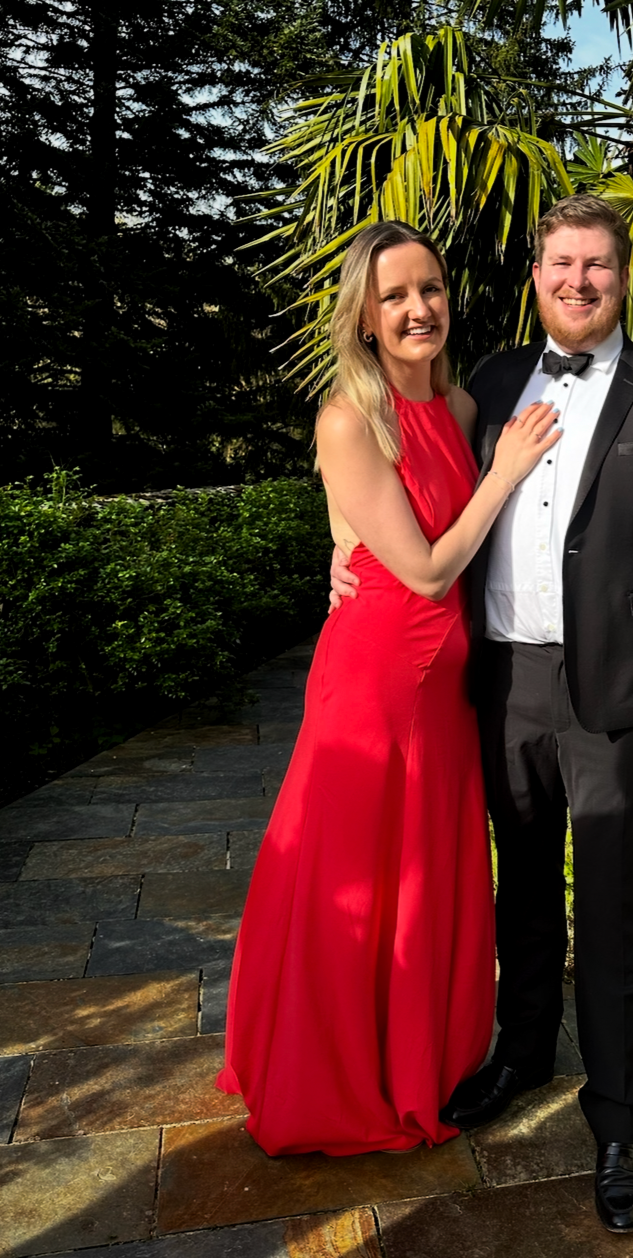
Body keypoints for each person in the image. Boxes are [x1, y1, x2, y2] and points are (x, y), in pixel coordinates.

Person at [333, 195, 633, 1228]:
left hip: (623, 693)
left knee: (612, 911)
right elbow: (394, 468)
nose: (578, 280)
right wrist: (341, 547)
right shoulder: (493, 384)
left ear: (622, 274)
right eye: (561, 262)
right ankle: (520, 1050)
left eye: (596, 264)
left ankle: (617, 1120)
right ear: (537, 272)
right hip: (501, 684)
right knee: (513, 895)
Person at [218, 220, 561, 1156]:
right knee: (356, 886)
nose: (418, 309)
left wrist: (339, 546)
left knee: (424, 885)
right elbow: (424, 570)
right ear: (364, 318)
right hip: (373, 689)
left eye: (431, 289)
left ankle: (420, 1061)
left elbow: (362, 532)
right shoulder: (347, 416)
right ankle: (334, 1078)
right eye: (395, 296)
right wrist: (502, 475)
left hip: (445, 695)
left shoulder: (453, 409)